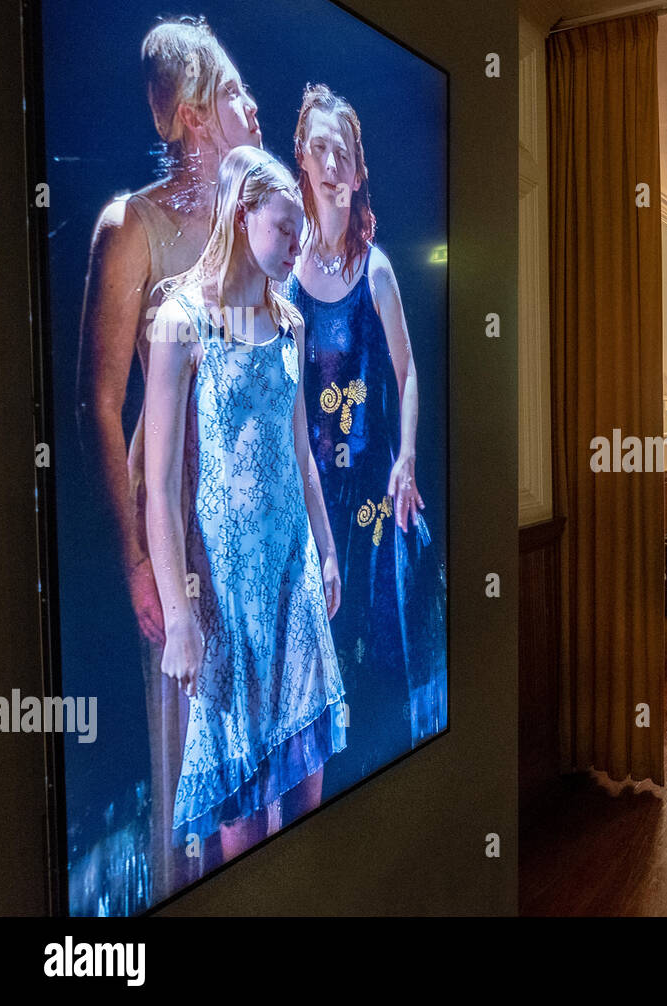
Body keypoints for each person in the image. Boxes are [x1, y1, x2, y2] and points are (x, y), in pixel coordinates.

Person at [75, 14, 261, 897]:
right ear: (191, 113)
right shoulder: (132, 228)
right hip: (178, 536)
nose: (251, 107)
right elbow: (97, 405)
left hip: (257, 533)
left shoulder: (256, 226)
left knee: (261, 756)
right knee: (193, 759)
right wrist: (137, 562)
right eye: (232, 94)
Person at [144, 145, 346, 860]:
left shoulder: (291, 323)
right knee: (243, 817)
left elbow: (302, 458)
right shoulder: (180, 321)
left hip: (293, 577)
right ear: (241, 213)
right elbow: (162, 491)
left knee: (307, 791)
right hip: (228, 595)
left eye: (302, 232)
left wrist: (326, 550)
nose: (299, 245)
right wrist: (178, 619)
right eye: (286, 228)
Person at [285, 83, 446, 766]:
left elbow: (409, 376)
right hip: (307, 499)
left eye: (341, 151)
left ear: (357, 171)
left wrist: (406, 455)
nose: (330, 162)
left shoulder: (375, 270)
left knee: (384, 668)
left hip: (373, 502)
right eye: (318, 147)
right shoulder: (282, 270)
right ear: (302, 159)